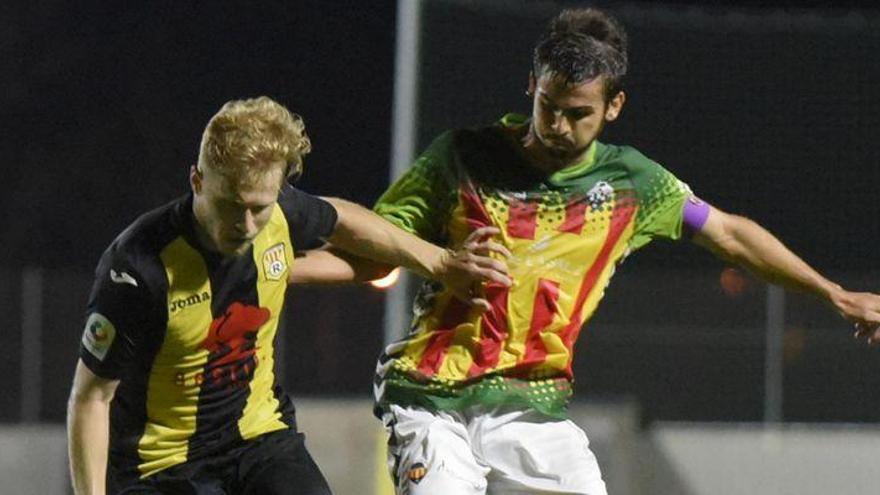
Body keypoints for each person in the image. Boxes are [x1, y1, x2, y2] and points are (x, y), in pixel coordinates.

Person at [351, 8, 880, 495]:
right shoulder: (463, 156)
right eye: (548, 108)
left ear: (613, 107)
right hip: (430, 393)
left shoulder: (633, 185)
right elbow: (375, 240)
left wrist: (832, 294)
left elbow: (732, 235)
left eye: (578, 113)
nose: (557, 126)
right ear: (531, 85)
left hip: (531, 405)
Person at [66, 96, 511, 495]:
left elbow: (344, 220)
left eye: (259, 207)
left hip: (258, 439)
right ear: (197, 181)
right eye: (229, 204)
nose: (244, 225)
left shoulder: (280, 213)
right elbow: (90, 399)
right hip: (161, 467)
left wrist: (439, 262)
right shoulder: (137, 267)